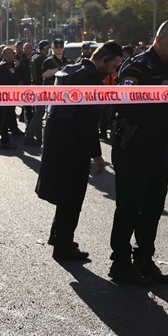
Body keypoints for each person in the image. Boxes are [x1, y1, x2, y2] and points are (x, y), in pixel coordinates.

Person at [109, 19, 168, 285]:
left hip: (159, 147)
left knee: (153, 207)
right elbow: (125, 104)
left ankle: (144, 260)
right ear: (159, 40)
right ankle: (120, 263)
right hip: (135, 145)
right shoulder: (137, 67)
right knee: (130, 206)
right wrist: (157, 94)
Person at [36, 41, 123, 261]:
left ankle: (58, 237)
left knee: (65, 194)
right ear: (104, 60)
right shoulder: (90, 79)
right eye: (113, 66)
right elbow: (87, 122)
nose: (113, 72)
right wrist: (97, 156)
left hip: (58, 139)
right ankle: (64, 246)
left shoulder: (71, 69)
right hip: (72, 144)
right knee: (72, 197)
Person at [0, 46, 21, 150]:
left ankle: (5, 137)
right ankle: (4, 140)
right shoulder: (4, 66)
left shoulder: (9, 65)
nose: (13, 55)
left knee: (9, 115)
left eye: (13, 53)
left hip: (11, 94)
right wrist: (17, 68)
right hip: (7, 95)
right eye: (10, 53)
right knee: (7, 116)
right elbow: (16, 78)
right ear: (5, 55)